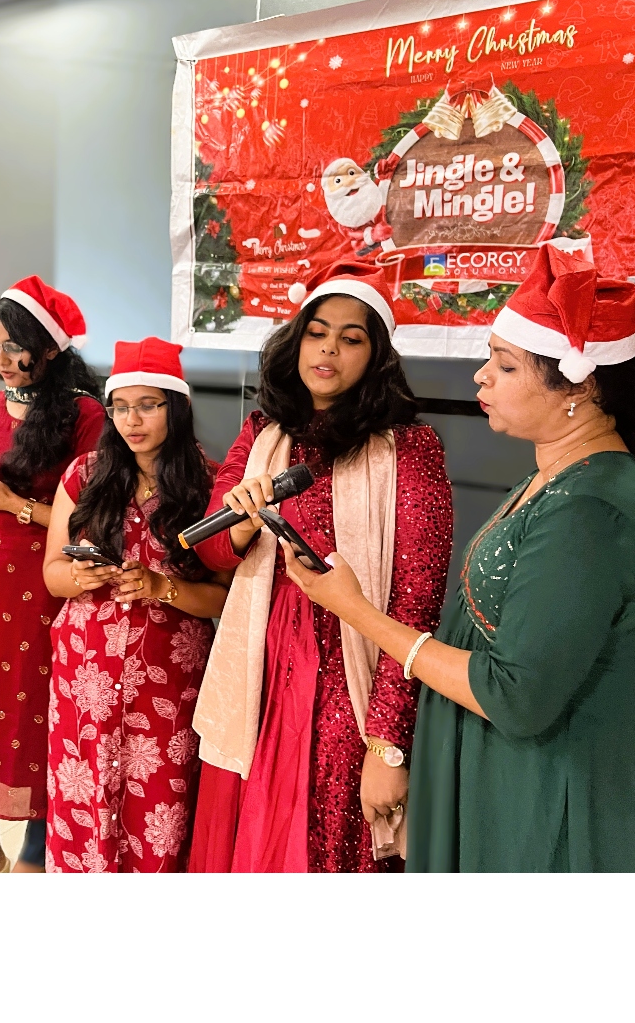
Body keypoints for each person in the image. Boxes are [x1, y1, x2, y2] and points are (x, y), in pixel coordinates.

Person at [282, 246, 635, 872]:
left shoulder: (592, 511)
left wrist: (357, 613)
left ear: (580, 385)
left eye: (505, 365)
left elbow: (516, 696)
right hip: (513, 785)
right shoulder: (554, 478)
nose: (481, 377)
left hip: (556, 805)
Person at [189, 260, 452, 873]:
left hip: (347, 674)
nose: (328, 348)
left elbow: (416, 602)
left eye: (351, 338)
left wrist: (387, 744)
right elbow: (210, 550)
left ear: (376, 357)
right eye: (316, 332)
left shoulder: (410, 448)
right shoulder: (263, 432)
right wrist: (243, 520)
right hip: (260, 667)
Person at [0, 275, 104, 872]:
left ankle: (34, 852)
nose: (2, 359)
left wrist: (12, 504)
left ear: (50, 349)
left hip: (44, 578)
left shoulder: (85, 414)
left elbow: (91, 516)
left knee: (35, 707)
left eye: (15, 347)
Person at [43, 338, 228, 872]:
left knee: (160, 803)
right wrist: (78, 576)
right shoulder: (85, 474)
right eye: (120, 406)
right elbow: (52, 575)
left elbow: (222, 596)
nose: (132, 420)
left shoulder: (210, 483)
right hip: (86, 674)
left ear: (177, 407)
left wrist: (160, 587)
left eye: (148, 405)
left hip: (169, 677)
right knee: (85, 794)